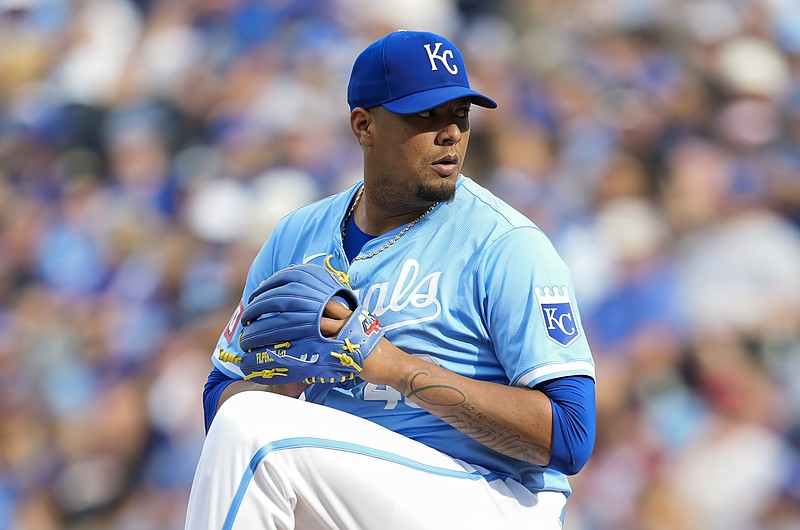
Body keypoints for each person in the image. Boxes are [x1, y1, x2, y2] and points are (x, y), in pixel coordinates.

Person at [185, 30, 596, 530]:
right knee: (247, 420)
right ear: (364, 125)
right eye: (426, 115)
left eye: (460, 115)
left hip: (493, 501)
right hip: (352, 493)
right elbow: (219, 400)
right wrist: (280, 384)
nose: (451, 133)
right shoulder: (296, 236)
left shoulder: (506, 243)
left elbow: (571, 436)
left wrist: (393, 366)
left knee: (256, 432)